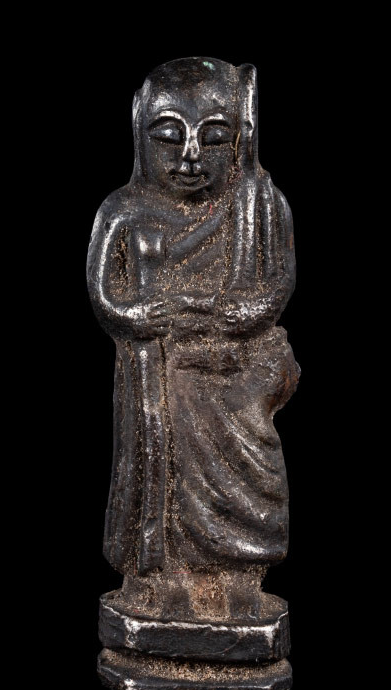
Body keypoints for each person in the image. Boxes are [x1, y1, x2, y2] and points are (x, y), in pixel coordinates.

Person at [87, 57, 300, 620]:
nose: (189, 156)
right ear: (140, 132)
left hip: (229, 375)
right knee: (157, 470)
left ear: (240, 141)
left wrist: (237, 316)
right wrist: (137, 317)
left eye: (214, 138)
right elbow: (104, 295)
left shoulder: (256, 204)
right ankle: (158, 582)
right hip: (155, 371)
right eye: (168, 135)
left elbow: (278, 284)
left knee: (249, 467)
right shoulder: (123, 210)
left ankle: (237, 581)